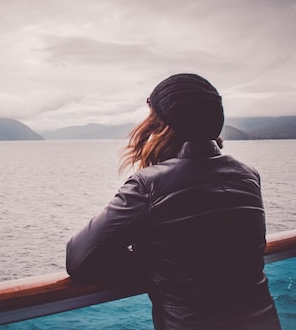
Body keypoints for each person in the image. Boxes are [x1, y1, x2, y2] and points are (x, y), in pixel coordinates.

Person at [66, 73, 281, 330]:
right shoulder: (247, 175)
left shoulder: (148, 185)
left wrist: (150, 261)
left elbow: (79, 259)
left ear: (161, 126)